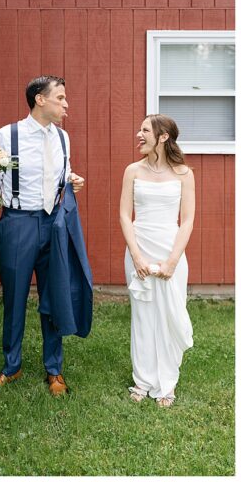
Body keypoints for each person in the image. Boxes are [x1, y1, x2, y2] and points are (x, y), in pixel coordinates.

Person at [0, 75, 90, 397]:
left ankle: (54, 370)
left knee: (54, 295)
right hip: (18, 224)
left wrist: (71, 179)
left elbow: (58, 172)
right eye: (60, 98)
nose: (66, 104)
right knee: (14, 298)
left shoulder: (63, 138)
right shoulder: (7, 135)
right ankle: (11, 367)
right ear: (40, 99)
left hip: (54, 224)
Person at [118, 114, 194, 407]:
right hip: (140, 247)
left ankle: (167, 384)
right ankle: (143, 380)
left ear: (163, 137)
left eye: (145, 130)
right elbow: (125, 215)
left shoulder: (184, 174)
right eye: (139, 129)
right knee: (143, 314)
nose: (139, 134)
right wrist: (136, 256)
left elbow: (187, 221)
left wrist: (173, 261)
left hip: (170, 249)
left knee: (170, 314)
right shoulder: (132, 171)